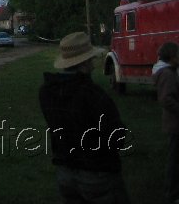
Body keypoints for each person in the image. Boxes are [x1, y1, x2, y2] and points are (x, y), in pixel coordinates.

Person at [38, 32, 130, 203]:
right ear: (85, 63)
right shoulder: (93, 94)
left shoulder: (46, 92)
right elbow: (116, 136)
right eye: (91, 60)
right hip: (97, 172)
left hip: (64, 171)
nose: (94, 66)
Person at [153, 41, 179, 204]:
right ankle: (172, 194)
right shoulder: (168, 75)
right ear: (172, 57)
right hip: (175, 124)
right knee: (174, 161)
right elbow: (166, 99)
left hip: (174, 123)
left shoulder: (170, 72)